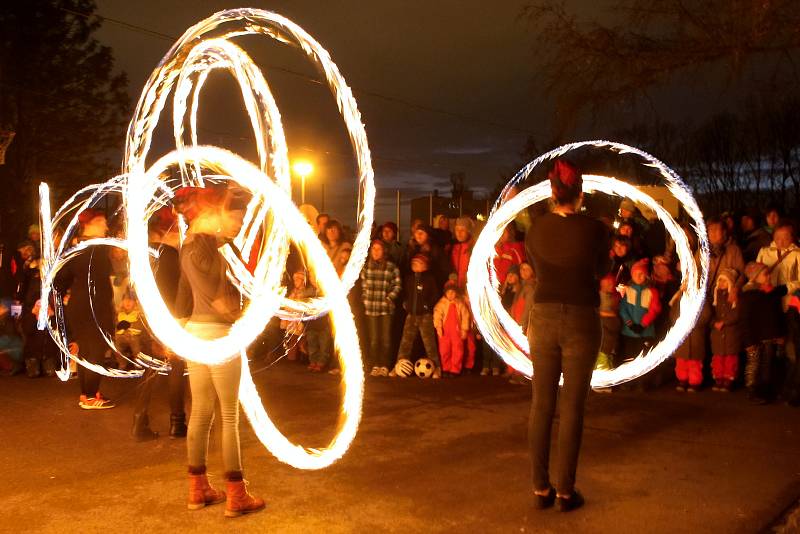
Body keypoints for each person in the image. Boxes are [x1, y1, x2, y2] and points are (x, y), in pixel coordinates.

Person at [174, 185, 264, 517]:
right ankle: (236, 496)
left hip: (195, 334)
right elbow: (225, 299)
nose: (240, 223)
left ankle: (198, 491)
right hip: (219, 334)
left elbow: (184, 294)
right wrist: (245, 313)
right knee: (228, 415)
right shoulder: (213, 247)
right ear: (215, 213)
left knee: (200, 412)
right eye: (236, 217)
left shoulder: (189, 246)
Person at [525, 159, 610, 512]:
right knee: (572, 407)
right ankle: (565, 492)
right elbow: (602, 270)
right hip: (579, 317)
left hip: (542, 316)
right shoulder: (595, 230)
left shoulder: (535, 229)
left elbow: (536, 265)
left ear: (552, 193)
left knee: (541, 404)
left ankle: (540, 488)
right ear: (580, 194)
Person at [130, 207, 188, 441]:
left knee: (151, 369)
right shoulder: (170, 255)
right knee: (175, 369)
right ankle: (177, 422)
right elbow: (176, 291)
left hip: (149, 318)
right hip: (170, 318)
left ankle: (139, 421)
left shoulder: (146, 255)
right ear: (167, 232)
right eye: (177, 231)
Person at [54, 208, 116, 409]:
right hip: (94, 306)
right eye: (102, 222)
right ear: (91, 223)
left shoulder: (77, 247)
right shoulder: (96, 248)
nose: (105, 226)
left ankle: (88, 393)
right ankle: (90, 396)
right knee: (96, 350)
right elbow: (102, 279)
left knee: (87, 350)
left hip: (80, 305)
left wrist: (61, 296)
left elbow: (61, 278)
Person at [739, 262, 795, 404]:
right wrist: (748, 342)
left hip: (771, 336)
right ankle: (753, 391)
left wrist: (780, 333)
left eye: (768, 273)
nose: (769, 276)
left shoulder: (772, 293)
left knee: (768, 365)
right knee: (755, 365)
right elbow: (745, 320)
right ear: (755, 277)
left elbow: (777, 315)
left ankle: (766, 391)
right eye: (765, 274)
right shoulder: (749, 295)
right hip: (756, 338)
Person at [360, 240, 401, 377]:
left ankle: (385, 365)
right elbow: (364, 286)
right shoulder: (366, 268)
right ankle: (375, 364)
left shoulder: (391, 267)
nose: (376, 251)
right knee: (373, 339)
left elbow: (397, 285)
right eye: (374, 249)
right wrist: (365, 300)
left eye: (379, 249)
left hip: (385, 308)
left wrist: (389, 298)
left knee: (386, 338)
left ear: (384, 251)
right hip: (371, 308)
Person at [397, 254, 441, 379]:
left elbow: (434, 295)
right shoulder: (409, 279)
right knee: (405, 342)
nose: (415, 265)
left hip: (425, 316)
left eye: (419, 263)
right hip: (411, 315)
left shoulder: (430, 279)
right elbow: (405, 293)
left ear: (425, 266)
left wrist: (427, 306)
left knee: (429, 343)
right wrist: (406, 304)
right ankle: (399, 365)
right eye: (413, 263)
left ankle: (436, 367)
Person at [709, 269, 741, 392]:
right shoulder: (715, 296)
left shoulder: (734, 297)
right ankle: (718, 378)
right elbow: (710, 313)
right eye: (720, 280)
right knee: (718, 358)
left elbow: (736, 313)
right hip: (717, 333)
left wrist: (725, 322)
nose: (721, 282)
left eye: (724, 280)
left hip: (730, 333)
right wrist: (714, 323)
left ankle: (728, 379)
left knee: (730, 358)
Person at [433, 279, 470, 377]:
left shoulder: (460, 303)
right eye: (448, 292)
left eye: (453, 292)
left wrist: (464, 329)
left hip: (456, 332)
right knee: (444, 350)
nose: (451, 294)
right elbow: (437, 316)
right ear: (445, 293)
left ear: (456, 293)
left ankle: (455, 369)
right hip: (444, 332)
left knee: (457, 350)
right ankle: (446, 368)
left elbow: (465, 316)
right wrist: (438, 327)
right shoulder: (441, 304)